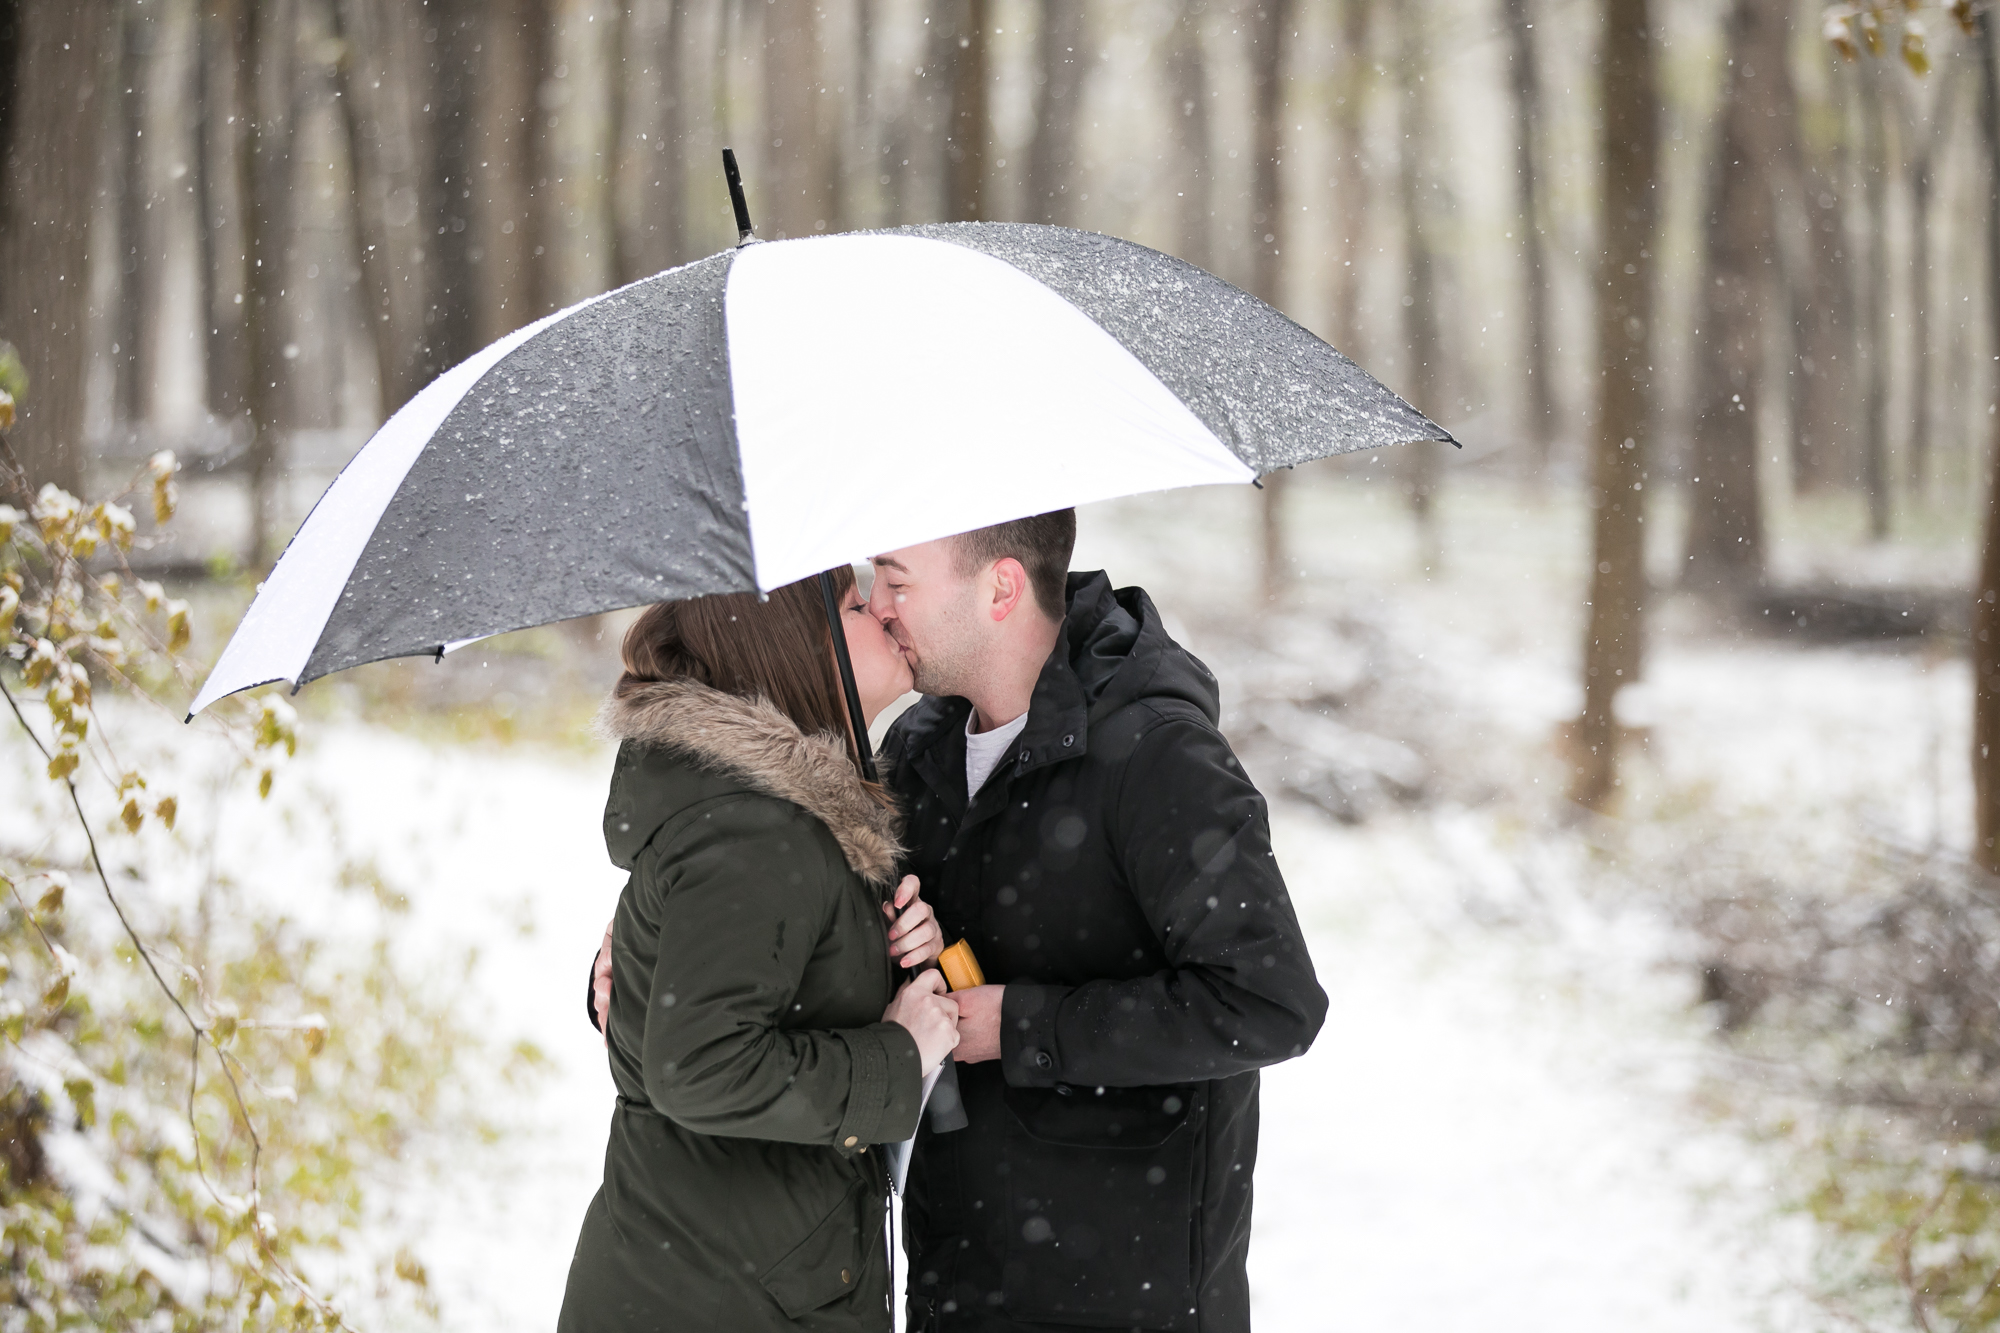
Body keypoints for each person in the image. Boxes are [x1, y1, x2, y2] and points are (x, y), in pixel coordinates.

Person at [867, 510, 1327, 1333]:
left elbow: (1270, 1000)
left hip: (1119, 1296)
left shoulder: (1158, 755)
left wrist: (1023, 1024)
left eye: (898, 581)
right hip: (955, 1282)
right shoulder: (917, 747)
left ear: (1000, 586)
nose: (879, 605)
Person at [560, 566, 959, 1333]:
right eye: (853, 602)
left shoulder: (786, 818)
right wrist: (897, 1055)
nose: (882, 606)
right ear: (795, 649)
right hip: (714, 1295)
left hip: (732, 1276)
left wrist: (897, 953)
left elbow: (753, 995)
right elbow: (703, 1065)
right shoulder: (756, 830)